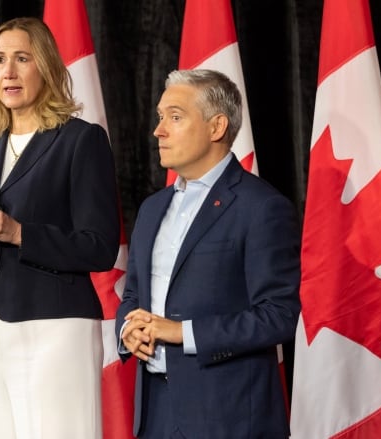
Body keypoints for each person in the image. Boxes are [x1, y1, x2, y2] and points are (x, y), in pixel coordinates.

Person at [0, 17, 120, 439]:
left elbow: (100, 247)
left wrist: (20, 233)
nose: (8, 71)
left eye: (22, 59)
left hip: (54, 326)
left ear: (46, 67)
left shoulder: (81, 140)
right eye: (0, 60)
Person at [116, 69, 301, 439]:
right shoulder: (152, 208)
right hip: (155, 414)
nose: (159, 130)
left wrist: (181, 332)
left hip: (228, 417)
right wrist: (128, 330)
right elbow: (135, 294)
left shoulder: (261, 207)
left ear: (216, 127)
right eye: (159, 117)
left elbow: (278, 316)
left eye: (175, 117)